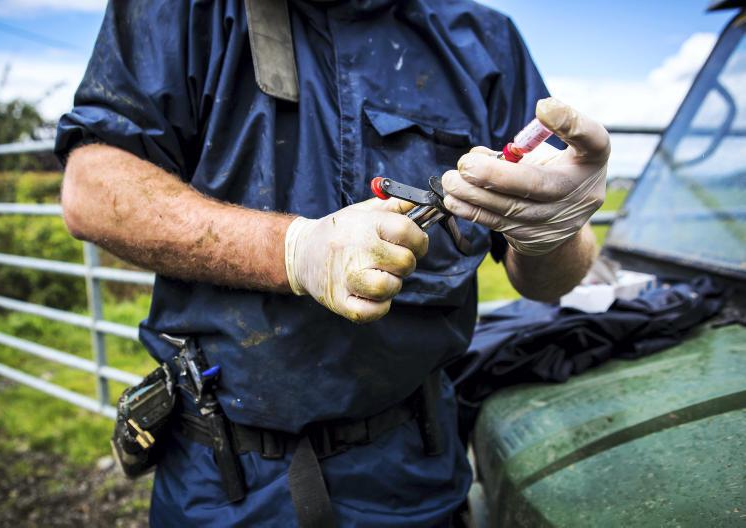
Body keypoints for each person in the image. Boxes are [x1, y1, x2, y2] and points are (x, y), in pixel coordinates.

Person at [55, 0, 609, 526]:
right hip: (222, 474)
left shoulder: (484, 42)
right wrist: (295, 250)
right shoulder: (183, 12)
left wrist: (554, 238)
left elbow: (547, 281)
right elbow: (93, 189)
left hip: (415, 464)